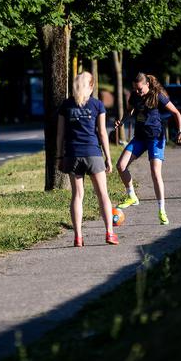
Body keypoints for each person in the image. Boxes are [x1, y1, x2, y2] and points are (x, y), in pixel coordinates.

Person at [114, 73, 181, 225]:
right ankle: (132, 196)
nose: (138, 92)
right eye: (136, 89)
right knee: (120, 166)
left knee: (155, 173)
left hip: (155, 138)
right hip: (140, 138)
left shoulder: (157, 95)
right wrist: (122, 121)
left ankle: (162, 210)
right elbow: (129, 111)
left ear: (147, 84)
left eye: (140, 89)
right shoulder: (134, 95)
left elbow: (176, 113)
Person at [56, 71, 118, 247]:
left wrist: (60, 156)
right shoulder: (97, 105)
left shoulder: (66, 105)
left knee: (77, 196)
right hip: (93, 154)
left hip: (72, 154)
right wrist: (108, 157)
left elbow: (60, 134)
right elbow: (102, 133)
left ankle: (78, 237)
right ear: (91, 86)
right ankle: (110, 233)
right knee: (103, 195)